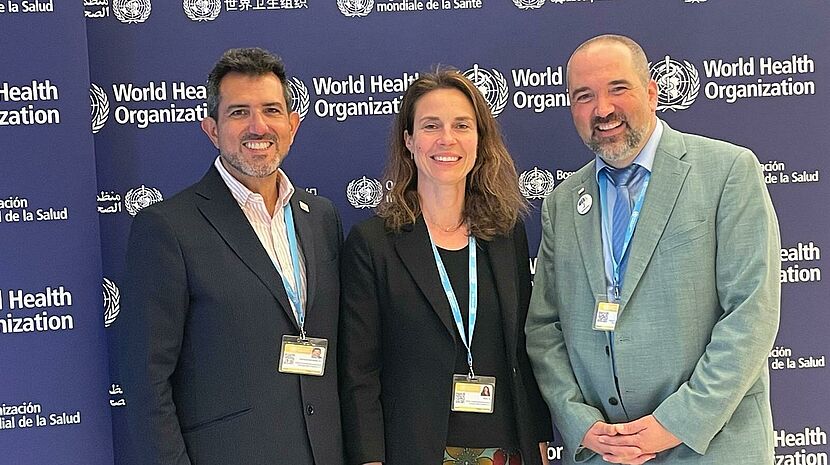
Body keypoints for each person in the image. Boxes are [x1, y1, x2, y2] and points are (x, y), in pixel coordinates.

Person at [526, 34, 780, 465]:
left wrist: (675, 423)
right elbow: (544, 329)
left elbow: (751, 314)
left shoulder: (728, 171)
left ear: (651, 91)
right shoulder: (563, 202)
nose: (602, 109)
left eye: (617, 89)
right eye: (584, 96)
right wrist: (580, 424)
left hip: (708, 448)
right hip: (602, 453)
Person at [114, 47, 345, 465]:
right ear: (212, 130)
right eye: (239, 112)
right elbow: (146, 381)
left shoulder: (322, 218)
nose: (258, 126)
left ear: (292, 125)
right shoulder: (167, 228)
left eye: (272, 110)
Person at [339, 69, 552, 465]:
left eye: (461, 125)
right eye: (431, 126)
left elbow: (525, 350)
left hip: (507, 450)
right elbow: (359, 373)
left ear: (479, 139)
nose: (447, 139)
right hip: (415, 450)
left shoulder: (506, 235)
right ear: (409, 141)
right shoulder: (373, 244)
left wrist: (538, 436)